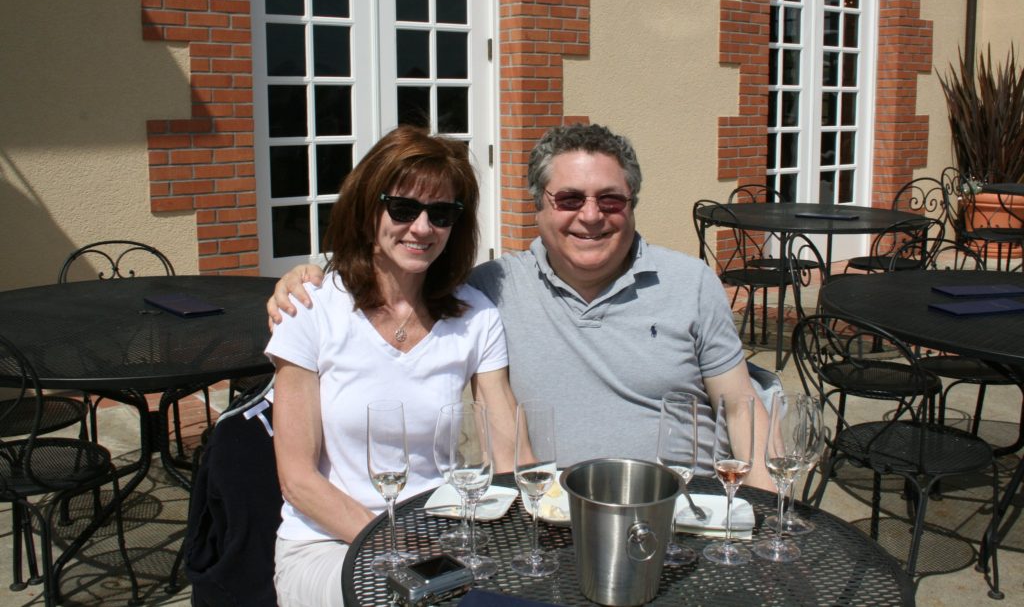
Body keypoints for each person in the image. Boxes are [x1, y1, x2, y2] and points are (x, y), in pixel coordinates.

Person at [269, 123, 773, 490]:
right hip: (556, 514)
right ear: (539, 207)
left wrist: (768, 513)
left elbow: (742, 408)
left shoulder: (690, 282)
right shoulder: (492, 290)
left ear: (632, 204)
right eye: (569, 199)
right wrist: (310, 275)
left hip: (685, 505)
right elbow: (403, 267)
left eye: (611, 200)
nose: (592, 217)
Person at [265, 126, 517, 607]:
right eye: (403, 208)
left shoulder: (476, 315)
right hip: (328, 542)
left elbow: (506, 447)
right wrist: (403, 546)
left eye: (440, 213)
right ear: (368, 209)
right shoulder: (312, 307)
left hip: (441, 534)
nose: (422, 228)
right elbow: (297, 479)